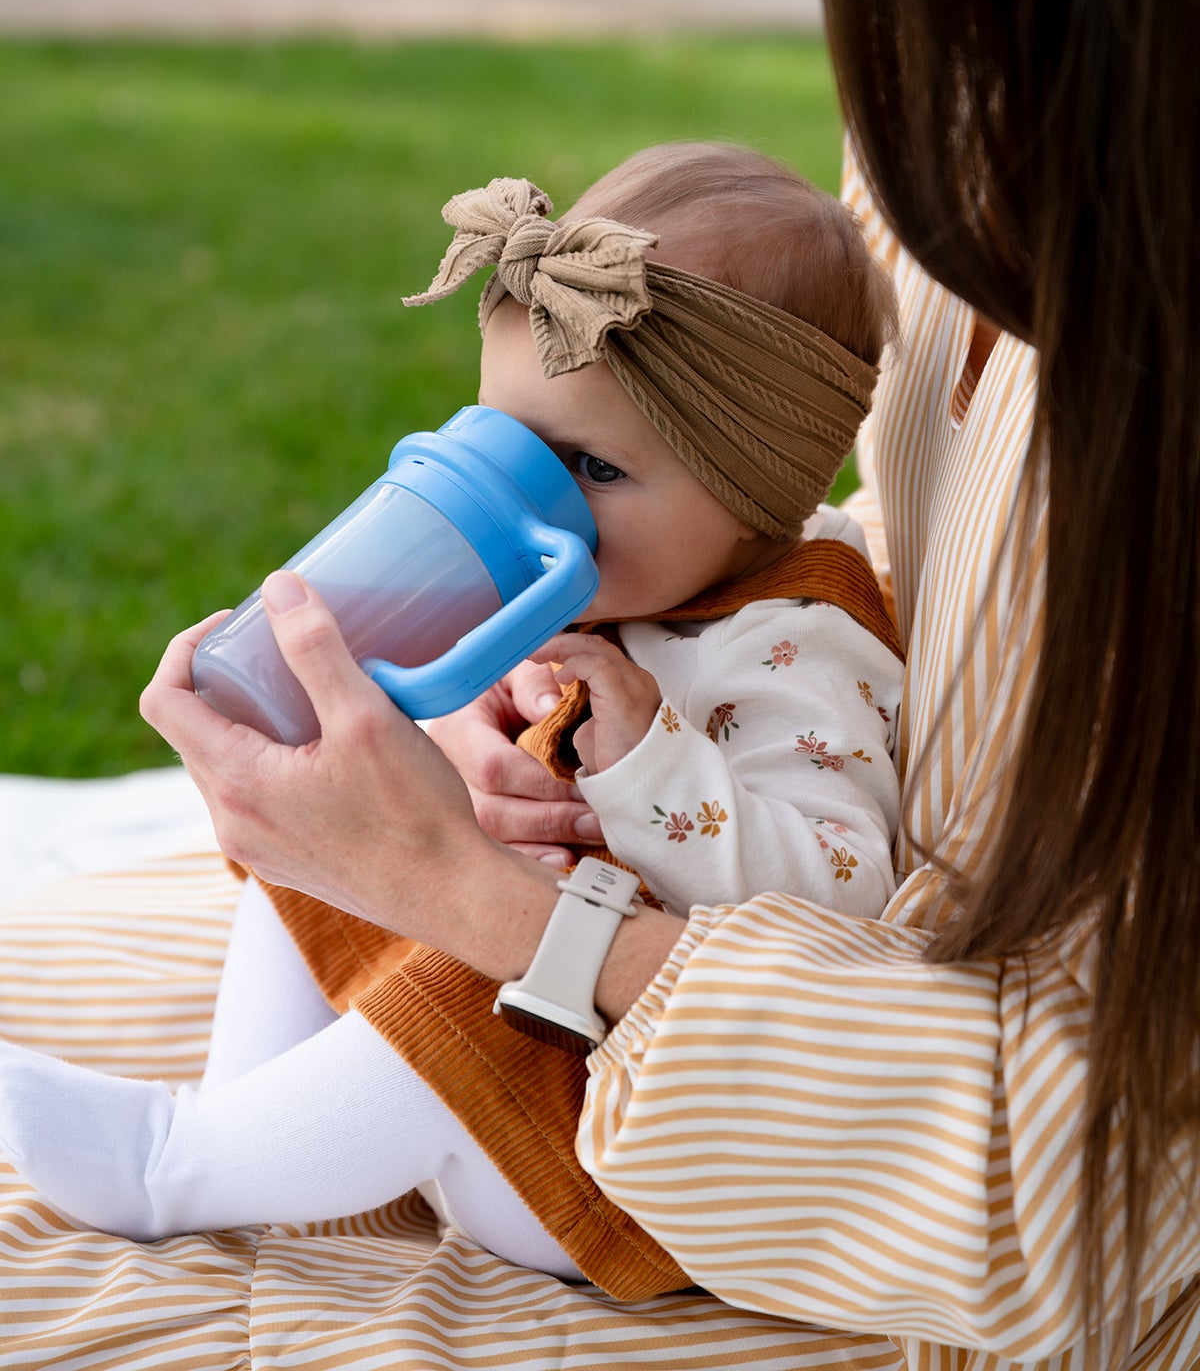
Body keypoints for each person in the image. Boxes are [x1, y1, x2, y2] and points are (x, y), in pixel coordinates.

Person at [1, 0, 1197, 1368]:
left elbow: (1103, 1220)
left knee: (431, 1007)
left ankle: (197, 1164)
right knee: (273, 860)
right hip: (659, 924)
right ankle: (235, 1112)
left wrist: (499, 903)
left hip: (760, 1083)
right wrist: (465, 773)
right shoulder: (973, 166)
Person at [0, 142, 903, 1292]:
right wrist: (453, 743)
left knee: (472, 978)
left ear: (761, 490)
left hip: (618, 1150)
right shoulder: (640, 574)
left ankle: (179, 1167)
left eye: (587, 467)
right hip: (530, 1076)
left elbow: (840, 898)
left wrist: (654, 768)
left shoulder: (795, 648)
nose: (531, 493)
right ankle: (247, 1110)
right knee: (324, 839)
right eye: (505, 436)